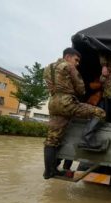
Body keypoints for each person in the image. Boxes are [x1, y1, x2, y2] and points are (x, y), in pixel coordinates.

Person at [43, 47, 106, 180]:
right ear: (67, 57)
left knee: (52, 140)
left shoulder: (48, 68)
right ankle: (87, 138)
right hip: (67, 102)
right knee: (100, 113)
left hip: (53, 103)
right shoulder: (69, 67)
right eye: (76, 60)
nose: (77, 63)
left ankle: (49, 171)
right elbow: (81, 89)